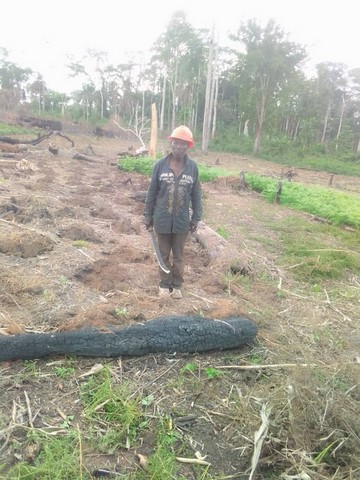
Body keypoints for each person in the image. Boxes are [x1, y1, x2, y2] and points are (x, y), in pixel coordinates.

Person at [144, 126, 202, 299]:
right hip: (161, 219)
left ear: (188, 146)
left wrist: (196, 218)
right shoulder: (160, 166)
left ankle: (177, 286)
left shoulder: (192, 168)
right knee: (163, 254)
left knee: (178, 256)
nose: (179, 147)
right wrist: (147, 215)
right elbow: (152, 192)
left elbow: (197, 194)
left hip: (182, 222)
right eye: (176, 143)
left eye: (183, 144)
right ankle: (164, 284)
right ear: (171, 143)